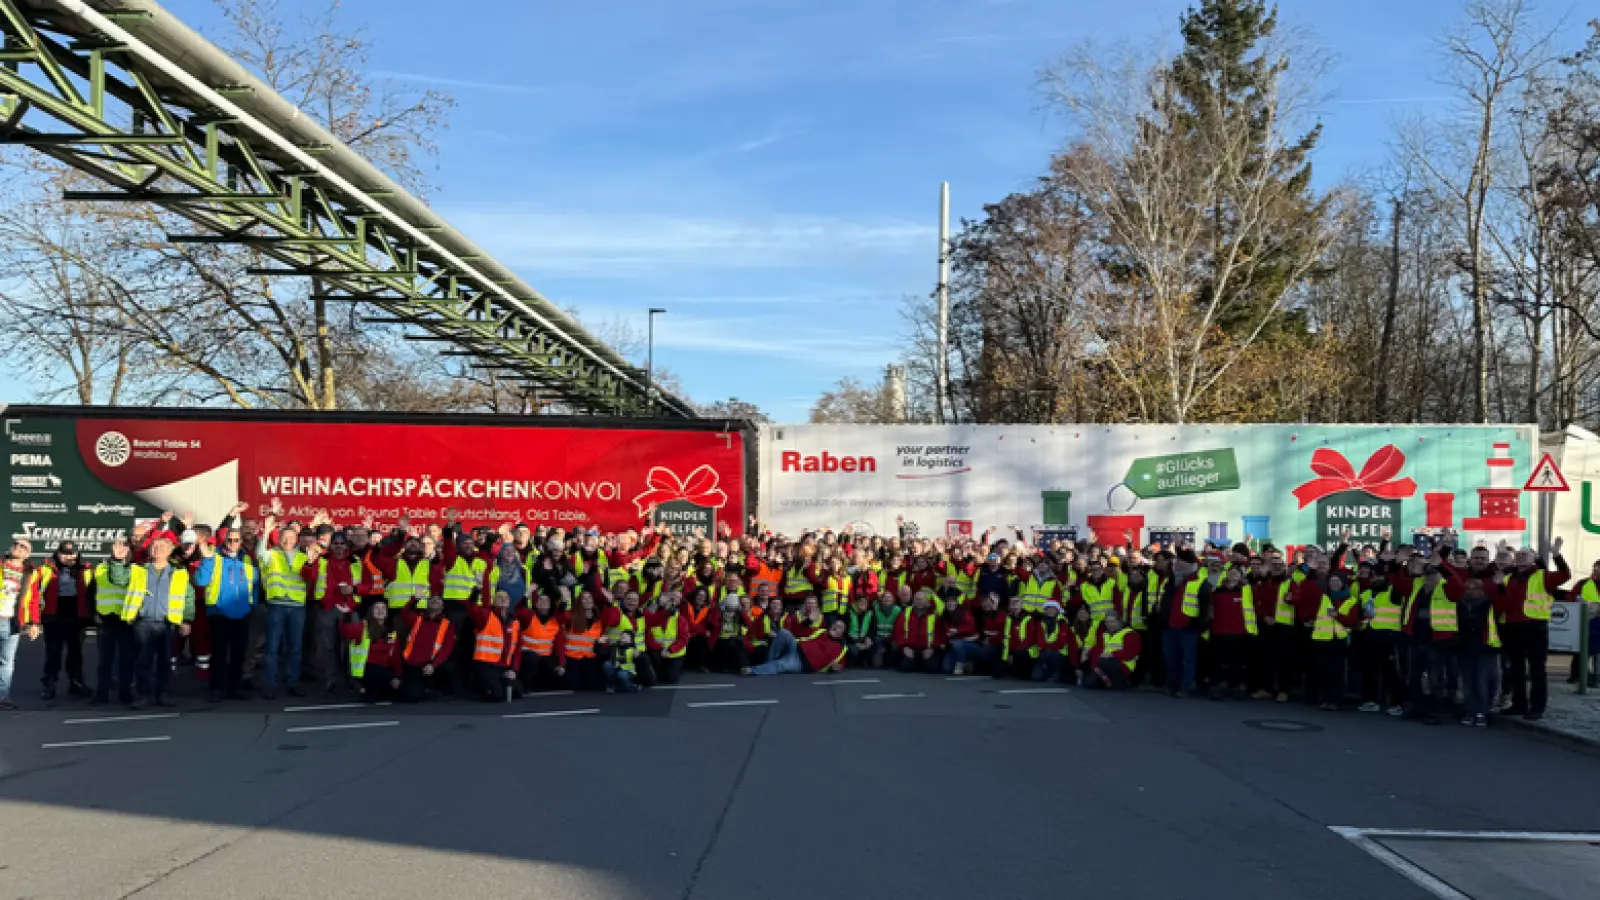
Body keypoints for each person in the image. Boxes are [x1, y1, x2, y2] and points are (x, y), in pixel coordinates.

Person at [107, 531, 194, 709]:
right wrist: (117, 561)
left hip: (167, 623)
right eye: (155, 546)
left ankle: (163, 694)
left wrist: (186, 619)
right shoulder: (138, 569)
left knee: (165, 661)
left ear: (170, 551)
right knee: (142, 662)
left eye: (163, 547)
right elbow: (118, 579)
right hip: (143, 622)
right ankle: (143, 695)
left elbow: (188, 597)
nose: (158, 550)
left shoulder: (179, 573)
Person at [1496, 539, 1569, 721]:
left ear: (1533, 559)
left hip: (1535, 626)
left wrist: (1557, 555)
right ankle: (1518, 704)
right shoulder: (1507, 577)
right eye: (1518, 554)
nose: (1521, 556)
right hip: (1512, 627)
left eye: (1525, 554)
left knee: (1537, 669)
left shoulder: (1542, 575)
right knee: (1516, 669)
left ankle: (1537, 707)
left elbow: (1564, 575)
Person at [194, 528, 259, 702]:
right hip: (219, 612)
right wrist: (206, 561)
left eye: (236, 540)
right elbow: (200, 580)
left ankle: (233, 688)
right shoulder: (214, 558)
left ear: (241, 542)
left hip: (242, 613)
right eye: (230, 540)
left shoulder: (247, 560)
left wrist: (252, 604)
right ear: (224, 541)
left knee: (238, 654)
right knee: (219, 653)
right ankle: (216, 688)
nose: (233, 543)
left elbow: (255, 584)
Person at [302, 531, 366, 694]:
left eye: (341, 543)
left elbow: (368, 585)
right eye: (335, 544)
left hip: (350, 608)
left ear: (346, 545)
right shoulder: (321, 560)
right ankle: (331, 680)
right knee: (328, 647)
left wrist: (353, 589)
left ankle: (353, 679)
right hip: (327, 608)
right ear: (331, 545)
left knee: (352, 646)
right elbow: (306, 575)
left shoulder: (356, 561)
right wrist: (309, 562)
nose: (338, 547)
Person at [257, 507, 309, 700]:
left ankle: (292, 683)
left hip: (297, 607)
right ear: (278, 539)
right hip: (276, 605)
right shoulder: (272, 554)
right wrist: (266, 529)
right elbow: (260, 552)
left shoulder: (304, 557)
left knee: (295, 648)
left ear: (297, 540)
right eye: (284, 537)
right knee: (272, 648)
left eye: (291, 537)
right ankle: (270, 685)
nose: (287, 540)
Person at [31, 541, 91, 700]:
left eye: (72, 554)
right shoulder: (45, 569)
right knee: (53, 653)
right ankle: (49, 684)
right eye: (64, 553)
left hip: (76, 615)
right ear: (57, 554)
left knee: (75, 653)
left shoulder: (85, 569)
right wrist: (36, 619)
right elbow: (35, 594)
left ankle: (76, 683)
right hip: (53, 615)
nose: (68, 557)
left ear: (77, 554)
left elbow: (91, 594)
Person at [1160, 552, 1210, 697]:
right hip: (1170, 626)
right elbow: (1164, 602)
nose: (1178, 564)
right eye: (1178, 561)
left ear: (1191, 565)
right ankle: (1172, 684)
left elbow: (1205, 608)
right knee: (1171, 658)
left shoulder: (1201, 582)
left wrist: (1197, 625)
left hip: (1188, 628)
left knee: (1188, 659)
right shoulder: (1171, 580)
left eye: (1182, 562)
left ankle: (1186, 685)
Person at [1309, 573, 1360, 711]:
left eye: (1338, 581)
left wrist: (1338, 616)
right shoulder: (1323, 597)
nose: (1334, 583)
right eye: (1332, 581)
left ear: (1343, 583)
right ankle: (1325, 698)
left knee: (1336, 671)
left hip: (1339, 639)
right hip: (1321, 637)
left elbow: (1353, 621)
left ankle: (1335, 700)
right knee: (1324, 670)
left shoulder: (1351, 600)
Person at [1, 539, 42, 711]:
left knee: (7, 661)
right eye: (16, 544)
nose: (18, 548)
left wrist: (34, 623)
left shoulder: (31, 573)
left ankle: (2, 697)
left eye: (23, 547)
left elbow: (33, 600)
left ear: (28, 554)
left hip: (13, 621)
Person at [1457, 574, 1502, 727]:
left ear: (1482, 591)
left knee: (1482, 682)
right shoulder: (1460, 604)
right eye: (1468, 588)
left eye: (1475, 588)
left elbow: (1503, 603)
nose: (1471, 591)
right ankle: (1469, 712)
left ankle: (1481, 712)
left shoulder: (1489, 604)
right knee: (1468, 683)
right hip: (1465, 648)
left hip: (1485, 647)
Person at [1206, 566, 1257, 700]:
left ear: (1241, 576)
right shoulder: (1217, 590)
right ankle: (1218, 686)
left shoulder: (1246, 590)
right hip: (1219, 631)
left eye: (1237, 573)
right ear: (1226, 574)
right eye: (1231, 572)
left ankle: (1236, 687)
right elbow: (1210, 609)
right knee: (1218, 662)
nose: (1234, 574)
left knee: (1237, 662)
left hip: (1238, 632)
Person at [397, 594, 456, 702]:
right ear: (427, 603)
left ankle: (437, 688)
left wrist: (434, 665)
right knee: (411, 697)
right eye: (432, 599)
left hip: (432, 665)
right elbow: (404, 613)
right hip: (413, 665)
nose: (435, 601)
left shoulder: (447, 625)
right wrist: (415, 599)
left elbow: (446, 649)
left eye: (438, 600)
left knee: (449, 668)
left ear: (443, 606)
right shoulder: (417, 619)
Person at [340, 601, 400, 703]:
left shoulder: (392, 631)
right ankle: (361, 686)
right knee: (372, 697)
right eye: (377, 608)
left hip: (385, 670)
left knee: (387, 696)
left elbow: (396, 655)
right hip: (366, 670)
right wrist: (346, 616)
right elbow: (346, 631)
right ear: (371, 611)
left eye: (383, 608)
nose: (380, 611)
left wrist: (398, 675)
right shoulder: (363, 627)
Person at [468, 590, 522, 702]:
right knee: (496, 696)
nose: (503, 599)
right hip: (486, 665)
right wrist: (476, 591)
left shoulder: (515, 622)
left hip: (504, 666)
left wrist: (513, 669)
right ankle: (482, 686)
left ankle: (500, 682)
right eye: (499, 597)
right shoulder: (486, 616)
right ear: (493, 602)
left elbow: (517, 649)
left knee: (518, 691)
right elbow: (472, 608)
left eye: (506, 597)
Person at [750, 618, 848, 676]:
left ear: (842, 633)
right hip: (796, 647)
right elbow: (802, 633)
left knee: (781, 664)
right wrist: (807, 621)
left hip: (802, 663)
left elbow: (841, 665)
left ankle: (752, 670)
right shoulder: (822, 631)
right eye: (834, 624)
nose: (835, 627)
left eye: (839, 627)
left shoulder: (842, 648)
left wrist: (837, 668)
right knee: (784, 633)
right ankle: (768, 663)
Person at [516, 591, 567, 692]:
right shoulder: (529, 617)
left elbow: (559, 646)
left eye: (546, 600)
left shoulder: (554, 622)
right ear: (536, 604)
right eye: (541, 600)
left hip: (546, 657)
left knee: (557, 670)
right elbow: (519, 610)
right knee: (532, 659)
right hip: (528, 655)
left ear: (550, 605)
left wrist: (561, 665)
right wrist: (526, 595)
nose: (544, 602)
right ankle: (527, 687)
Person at [645, 591, 692, 684]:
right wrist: (660, 648)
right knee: (654, 677)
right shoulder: (652, 617)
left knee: (670, 678)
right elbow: (648, 637)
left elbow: (683, 639)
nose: (667, 606)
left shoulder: (680, 619)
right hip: (657, 652)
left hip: (674, 653)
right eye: (664, 603)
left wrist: (670, 650)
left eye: (669, 603)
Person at [1088, 608, 1141, 690]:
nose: (1109, 624)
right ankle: (1106, 680)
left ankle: (1118, 682)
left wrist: (1111, 655)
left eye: (1112, 622)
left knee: (1104, 662)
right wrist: (1095, 667)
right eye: (1107, 622)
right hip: (1104, 663)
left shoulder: (1129, 634)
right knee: (1089, 682)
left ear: (1119, 621)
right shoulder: (1104, 635)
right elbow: (1095, 652)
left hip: (1123, 665)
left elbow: (1130, 653)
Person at [893, 590, 945, 673]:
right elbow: (898, 631)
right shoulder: (906, 612)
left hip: (928, 648)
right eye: (916, 599)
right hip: (910, 648)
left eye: (921, 599)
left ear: (926, 600)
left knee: (932, 668)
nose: (918, 601)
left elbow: (939, 633)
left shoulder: (933, 614)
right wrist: (904, 647)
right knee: (906, 667)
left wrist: (933, 648)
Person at [564, 591, 605, 691]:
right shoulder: (572, 616)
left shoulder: (598, 619)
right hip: (573, 658)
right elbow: (561, 616)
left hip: (590, 659)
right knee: (573, 687)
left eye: (590, 598)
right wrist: (563, 602)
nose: (587, 600)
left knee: (591, 687)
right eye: (584, 598)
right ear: (579, 602)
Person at [1028, 601, 1075, 683]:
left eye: (1053, 609)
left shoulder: (1063, 623)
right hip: (1043, 652)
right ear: (1045, 610)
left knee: (1051, 655)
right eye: (1048, 608)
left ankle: (1056, 673)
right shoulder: (1041, 623)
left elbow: (1061, 643)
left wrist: (1047, 648)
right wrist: (1046, 648)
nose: (1050, 611)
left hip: (1059, 654)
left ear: (1057, 610)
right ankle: (1046, 672)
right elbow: (1040, 641)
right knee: (1036, 678)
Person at [942, 587, 983, 675]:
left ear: (957, 602)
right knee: (946, 668)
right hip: (952, 646)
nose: (950, 603)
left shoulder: (964, 613)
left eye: (953, 601)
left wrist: (956, 631)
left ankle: (961, 664)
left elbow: (971, 627)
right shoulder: (944, 616)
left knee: (958, 644)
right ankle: (966, 663)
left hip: (971, 645)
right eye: (948, 601)